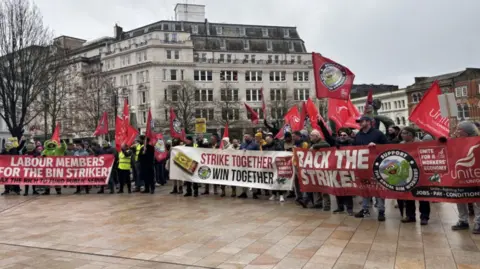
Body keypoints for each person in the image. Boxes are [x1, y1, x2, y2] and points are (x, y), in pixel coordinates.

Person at [353, 116, 388, 221]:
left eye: (361, 121)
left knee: (378, 189)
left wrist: (376, 145)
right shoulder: (358, 135)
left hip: (377, 167)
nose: (359, 123)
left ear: (368, 122)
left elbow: (388, 146)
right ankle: (365, 209)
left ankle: (381, 211)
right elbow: (353, 148)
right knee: (365, 188)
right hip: (363, 167)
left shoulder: (378, 133)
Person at [450, 121, 480, 234]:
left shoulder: (477, 141)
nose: (457, 131)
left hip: (474, 175)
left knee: (477, 199)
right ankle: (463, 220)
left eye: (459, 129)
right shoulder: (455, 142)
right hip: (460, 175)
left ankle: (479, 222)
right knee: (460, 198)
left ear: (466, 132)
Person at [397, 127, 430, 225]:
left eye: (404, 133)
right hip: (407, 173)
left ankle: (424, 217)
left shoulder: (420, 143)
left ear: (411, 134)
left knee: (422, 196)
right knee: (408, 196)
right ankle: (410, 216)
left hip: (421, 173)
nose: (402, 135)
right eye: (402, 133)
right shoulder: (401, 144)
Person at [297, 129, 330, 209]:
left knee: (323, 187)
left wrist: (314, 146)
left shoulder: (321, 142)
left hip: (322, 167)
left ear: (317, 136)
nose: (310, 137)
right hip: (315, 167)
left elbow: (327, 145)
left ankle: (327, 205)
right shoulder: (312, 143)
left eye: (312, 135)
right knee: (315, 186)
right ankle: (318, 203)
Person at [333, 128, 354, 215]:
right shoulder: (335, 144)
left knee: (348, 189)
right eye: (341, 135)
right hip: (337, 169)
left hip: (347, 169)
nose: (342, 136)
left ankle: (349, 208)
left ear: (348, 136)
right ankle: (340, 207)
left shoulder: (352, 144)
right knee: (338, 189)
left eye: (344, 135)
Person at [238, 134, 260, 199]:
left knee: (253, 178)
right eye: (245, 137)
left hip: (252, 165)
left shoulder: (255, 145)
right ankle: (244, 192)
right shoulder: (242, 144)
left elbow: (259, 154)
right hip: (244, 165)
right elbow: (238, 153)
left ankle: (254, 193)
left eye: (247, 136)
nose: (245, 137)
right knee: (244, 178)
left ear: (251, 137)